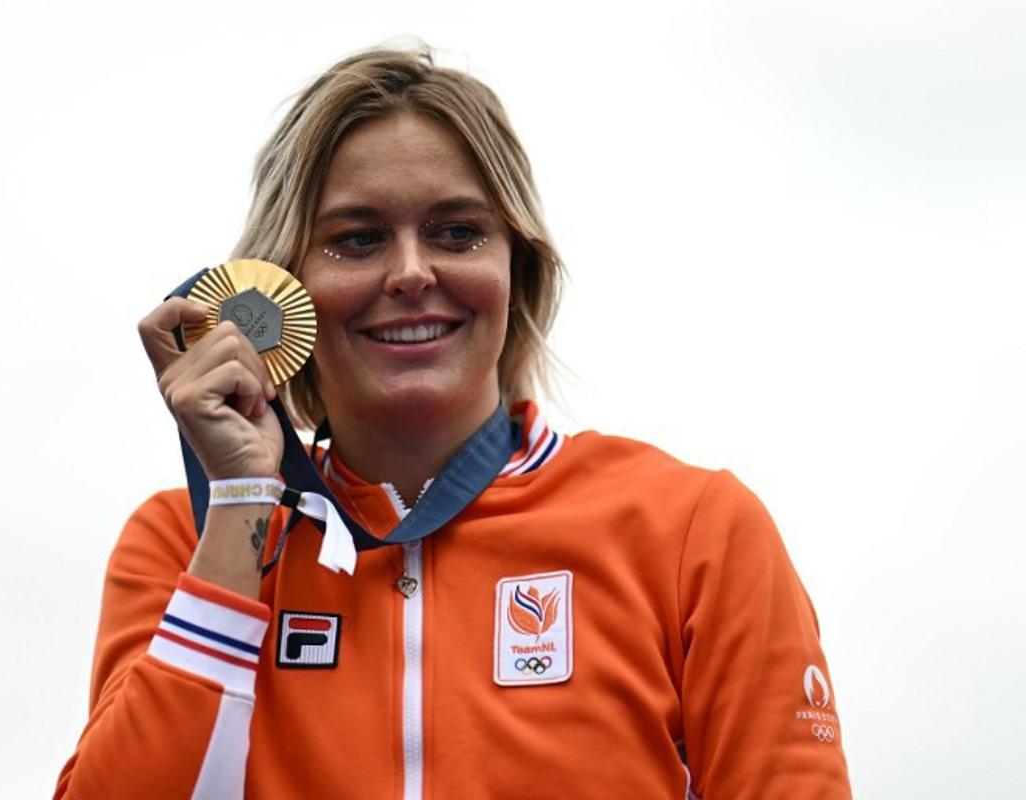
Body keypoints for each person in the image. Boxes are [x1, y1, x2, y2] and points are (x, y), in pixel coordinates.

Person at [54, 45, 851, 799]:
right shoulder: (181, 542)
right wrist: (239, 506)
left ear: (516, 268)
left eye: (457, 233)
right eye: (357, 239)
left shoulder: (691, 532)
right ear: (280, 289)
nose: (410, 272)